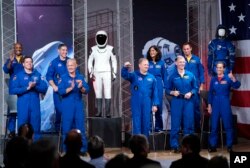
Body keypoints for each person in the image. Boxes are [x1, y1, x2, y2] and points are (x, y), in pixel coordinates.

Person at [165, 56, 198, 152]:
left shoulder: (190, 75)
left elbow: (195, 88)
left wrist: (191, 93)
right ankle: (174, 146)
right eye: (180, 62)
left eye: (183, 62)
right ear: (176, 63)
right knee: (175, 124)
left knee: (188, 124)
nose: (182, 64)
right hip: (177, 101)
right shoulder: (172, 76)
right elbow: (167, 89)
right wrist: (172, 92)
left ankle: (188, 146)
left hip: (188, 102)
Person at [11, 56, 48, 140]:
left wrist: (35, 87)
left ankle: (35, 149)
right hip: (23, 104)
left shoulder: (37, 74)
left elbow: (44, 88)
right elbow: (13, 89)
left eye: (30, 62)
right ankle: (22, 148)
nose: (29, 63)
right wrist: (26, 88)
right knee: (22, 127)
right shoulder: (18, 75)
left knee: (36, 126)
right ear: (23, 64)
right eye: (27, 62)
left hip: (35, 104)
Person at [207, 61, 241, 152]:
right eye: (217, 67)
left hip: (225, 102)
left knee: (228, 125)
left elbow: (237, 86)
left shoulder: (228, 78)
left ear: (224, 68)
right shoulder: (213, 79)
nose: (219, 69)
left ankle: (229, 146)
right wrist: (209, 105)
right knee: (214, 126)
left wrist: (233, 78)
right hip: (215, 103)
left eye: (221, 67)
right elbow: (210, 93)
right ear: (216, 68)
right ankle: (213, 146)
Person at [121, 58, 159, 137]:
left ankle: (145, 144)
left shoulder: (152, 78)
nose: (147, 66)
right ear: (139, 65)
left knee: (146, 122)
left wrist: (155, 104)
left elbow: (155, 92)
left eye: (148, 65)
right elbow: (124, 75)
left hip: (147, 102)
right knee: (137, 122)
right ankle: (137, 144)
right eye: (145, 64)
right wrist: (125, 67)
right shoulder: (134, 75)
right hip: (136, 102)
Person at [58, 58, 89, 153]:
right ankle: (66, 149)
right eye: (68, 66)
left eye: (72, 65)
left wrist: (81, 88)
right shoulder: (63, 77)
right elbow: (61, 91)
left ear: (76, 66)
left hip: (78, 106)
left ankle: (82, 150)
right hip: (67, 106)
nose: (70, 67)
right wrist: (71, 88)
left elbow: (87, 90)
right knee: (66, 128)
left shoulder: (80, 77)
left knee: (81, 128)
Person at [88, 30, 117, 118]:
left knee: (108, 92)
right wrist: (91, 72)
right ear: (96, 38)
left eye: (103, 37)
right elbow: (89, 61)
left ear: (106, 38)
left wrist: (114, 72)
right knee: (98, 92)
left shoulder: (111, 48)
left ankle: (108, 112)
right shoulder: (93, 49)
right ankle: (99, 112)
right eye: (99, 37)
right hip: (96, 73)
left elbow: (114, 61)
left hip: (107, 72)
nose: (101, 39)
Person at [46, 43, 70, 132]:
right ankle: (58, 132)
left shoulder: (70, 61)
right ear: (58, 51)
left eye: (66, 50)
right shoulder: (54, 62)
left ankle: (69, 131)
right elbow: (48, 76)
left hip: (69, 91)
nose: (65, 52)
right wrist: (54, 86)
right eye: (63, 50)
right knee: (59, 111)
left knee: (69, 111)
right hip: (58, 92)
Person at [3, 42, 24, 137]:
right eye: (16, 48)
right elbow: (6, 70)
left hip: (23, 88)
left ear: (22, 49)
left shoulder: (25, 59)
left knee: (23, 110)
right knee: (13, 110)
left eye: (20, 47)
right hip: (13, 88)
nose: (18, 49)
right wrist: (11, 62)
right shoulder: (10, 60)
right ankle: (11, 131)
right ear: (14, 49)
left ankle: (22, 131)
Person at [182, 42, 205, 132]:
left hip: (195, 87)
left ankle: (197, 128)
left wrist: (201, 85)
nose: (186, 50)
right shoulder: (180, 60)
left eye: (188, 48)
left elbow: (201, 73)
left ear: (191, 49)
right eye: (184, 49)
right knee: (184, 108)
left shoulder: (197, 59)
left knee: (196, 108)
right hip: (184, 87)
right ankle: (185, 128)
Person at [146, 45, 165, 132]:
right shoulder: (147, 63)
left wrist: (167, 87)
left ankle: (159, 127)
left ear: (157, 52)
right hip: (149, 87)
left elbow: (165, 76)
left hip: (159, 87)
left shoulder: (161, 63)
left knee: (158, 107)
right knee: (149, 106)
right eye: (150, 51)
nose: (152, 52)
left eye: (153, 50)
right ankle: (149, 127)